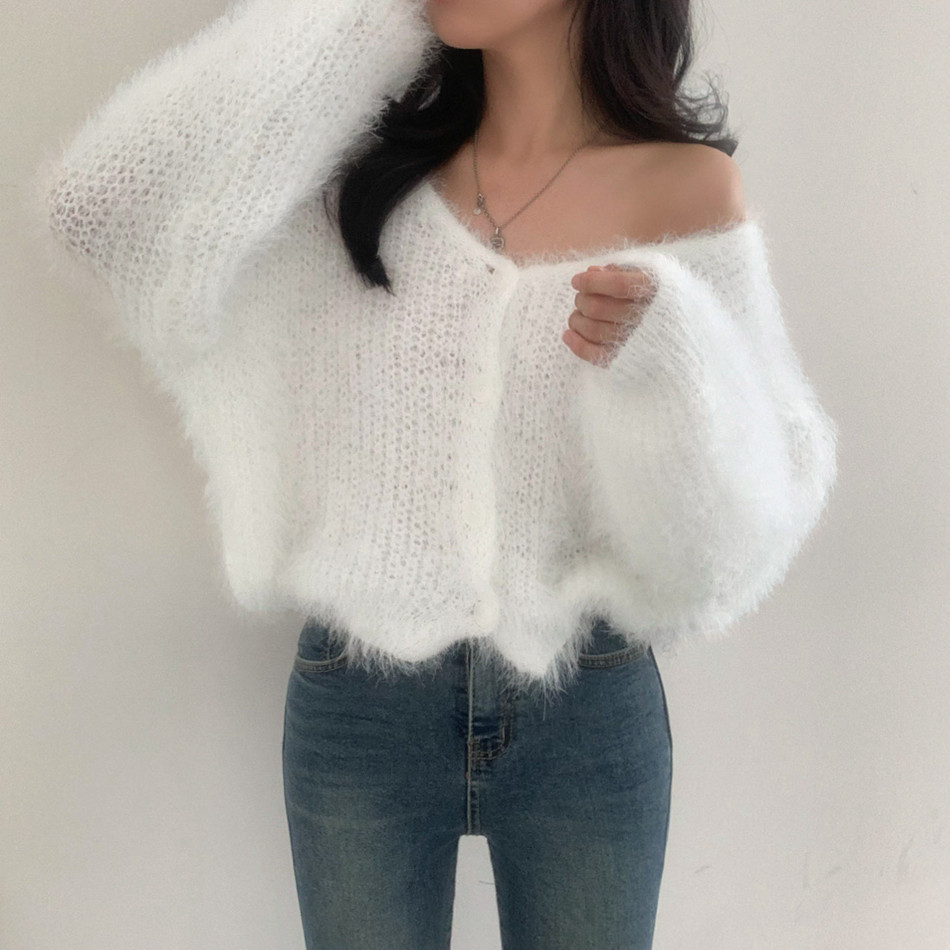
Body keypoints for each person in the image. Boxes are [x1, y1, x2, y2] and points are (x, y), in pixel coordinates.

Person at [33, 0, 839, 947]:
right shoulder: (354, 183)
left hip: (588, 708)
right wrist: (361, 20)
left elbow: (732, 548)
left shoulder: (687, 190)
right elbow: (96, 212)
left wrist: (672, 357)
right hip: (360, 709)